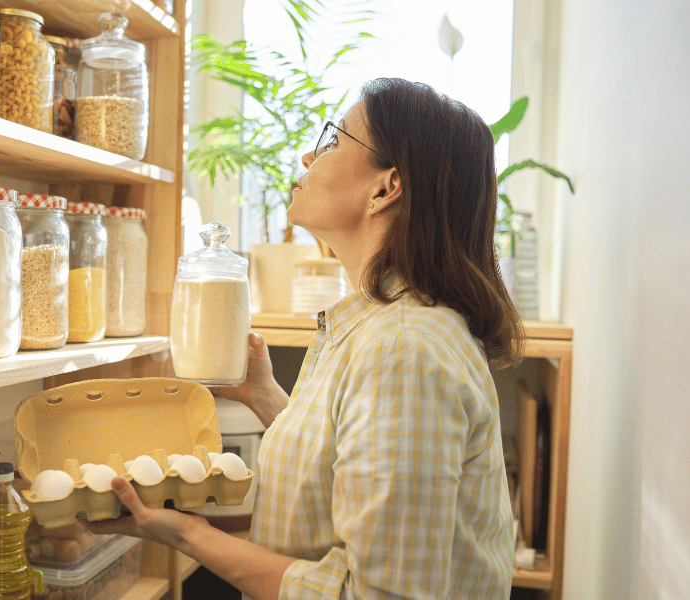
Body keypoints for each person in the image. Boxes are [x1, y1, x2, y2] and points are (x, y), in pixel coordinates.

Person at [88, 77, 523, 600]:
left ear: (386, 188)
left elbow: (378, 596)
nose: (306, 157)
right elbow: (347, 466)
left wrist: (186, 534)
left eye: (333, 139)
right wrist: (263, 395)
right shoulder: (376, 325)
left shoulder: (405, 348)